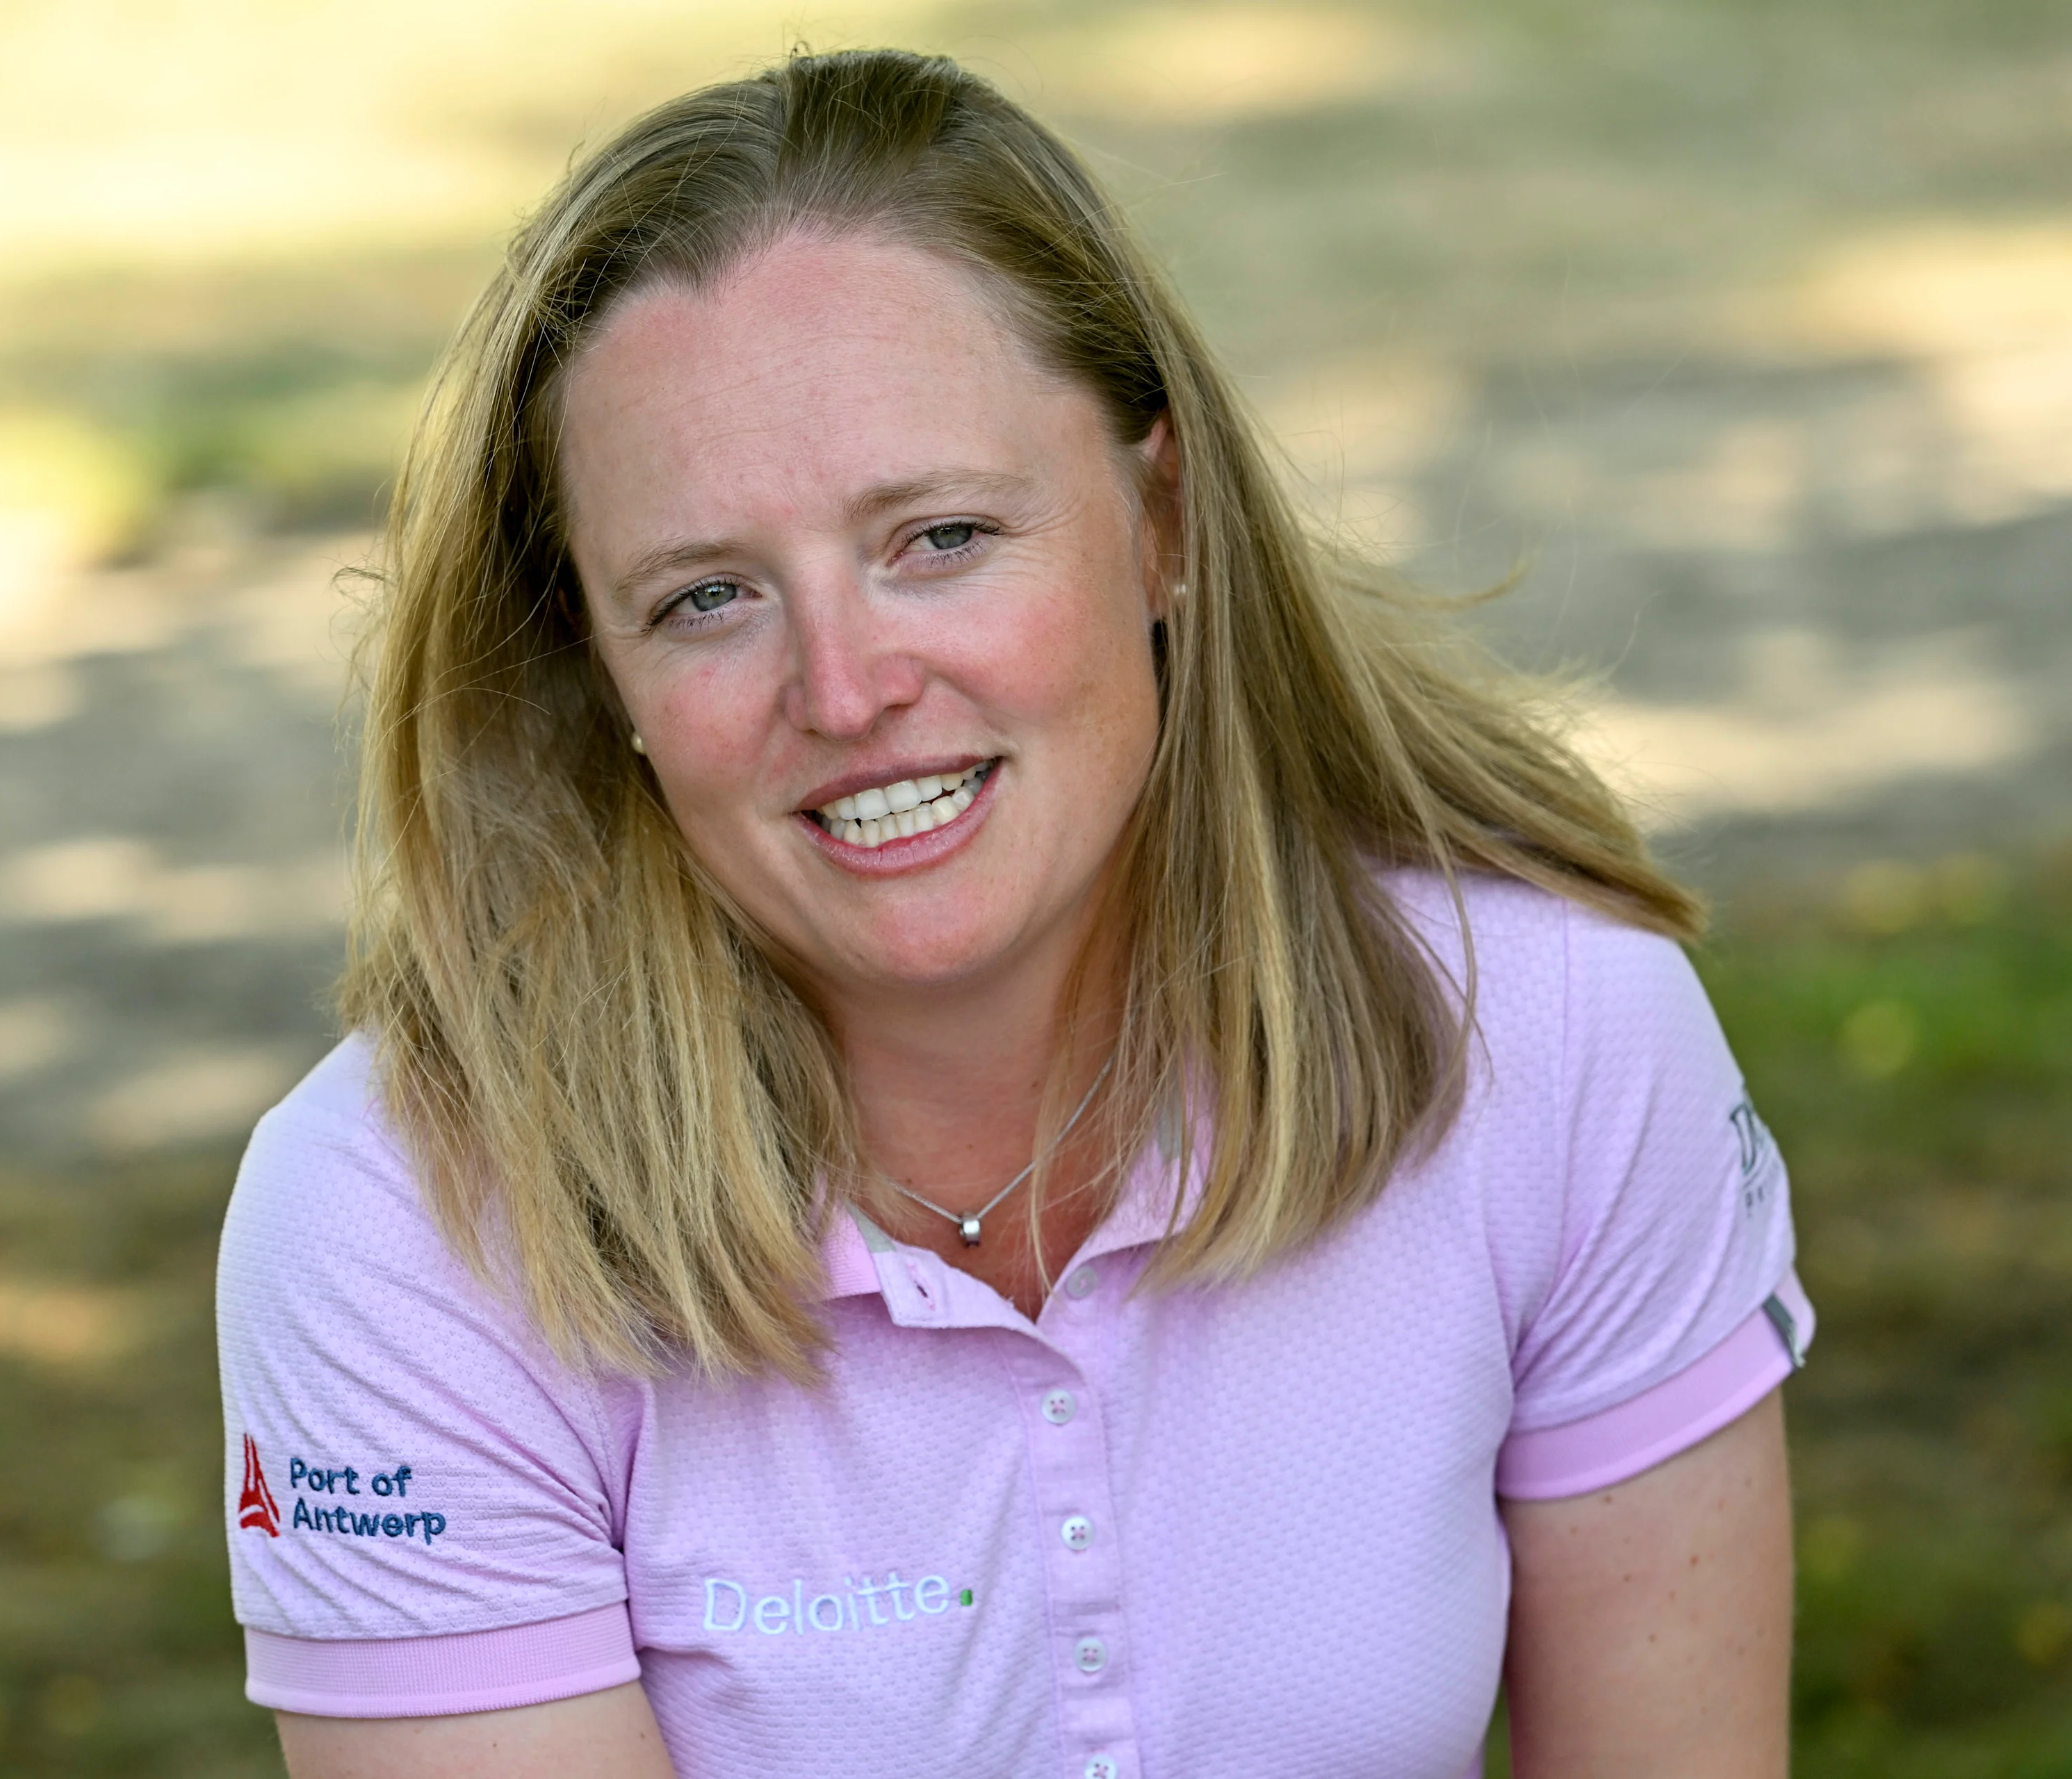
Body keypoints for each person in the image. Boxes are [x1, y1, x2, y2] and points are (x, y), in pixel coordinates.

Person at [217, 48, 1807, 1779]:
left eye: (944, 535)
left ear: (1165, 521)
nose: (845, 687)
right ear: (598, 667)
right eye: (708, 596)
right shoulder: (404, 1221)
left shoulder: (1554, 1034)